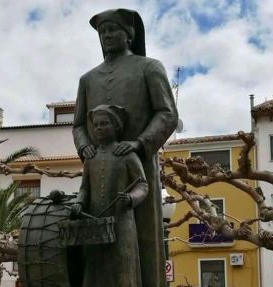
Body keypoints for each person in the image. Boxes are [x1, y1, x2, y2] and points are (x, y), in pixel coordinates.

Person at [72, 8, 178, 287]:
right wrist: (85, 150)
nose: (106, 35)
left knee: (142, 246)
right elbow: (78, 126)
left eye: (112, 29)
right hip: (98, 172)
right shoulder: (87, 79)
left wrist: (139, 143)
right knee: (97, 251)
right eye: (102, 31)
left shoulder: (149, 67)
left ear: (129, 34)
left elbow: (167, 114)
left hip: (138, 164)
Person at [72, 104, 148, 287]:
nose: (98, 128)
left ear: (116, 126)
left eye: (103, 124)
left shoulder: (127, 154)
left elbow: (143, 185)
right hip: (95, 222)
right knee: (95, 268)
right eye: (95, 125)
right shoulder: (90, 158)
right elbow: (85, 189)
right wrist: (79, 203)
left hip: (122, 223)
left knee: (122, 268)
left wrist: (131, 198)